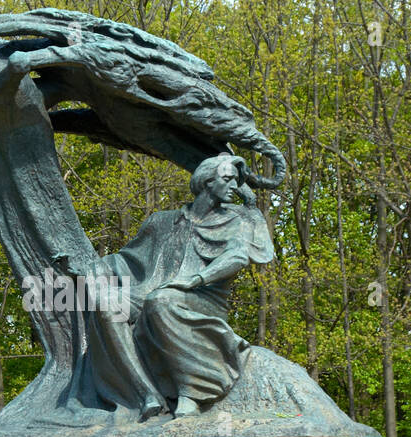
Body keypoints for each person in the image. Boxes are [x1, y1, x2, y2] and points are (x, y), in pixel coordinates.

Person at [76, 154, 275, 419]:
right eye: (227, 179)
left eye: (237, 182)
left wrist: (196, 280)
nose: (234, 187)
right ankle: (145, 395)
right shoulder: (162, 221)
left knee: (161, 301)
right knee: (108, 303)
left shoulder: (236, 220)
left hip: (203, 298)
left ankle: (192, 392)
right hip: (151, 291)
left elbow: (237, 257)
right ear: (207, 181)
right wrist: (89, 271)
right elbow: (127, 259)